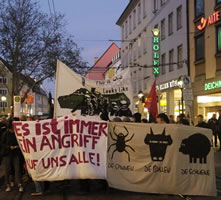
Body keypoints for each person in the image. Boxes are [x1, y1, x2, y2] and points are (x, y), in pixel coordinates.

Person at [1, 120, 23, 192]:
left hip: (16, 153)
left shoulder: (17, 133)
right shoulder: (5, 134)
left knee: (17, 169)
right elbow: (1, 143)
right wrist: (9, 147)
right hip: (7, 154)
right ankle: (8, 184)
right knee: (7, 170)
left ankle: (20, 184)